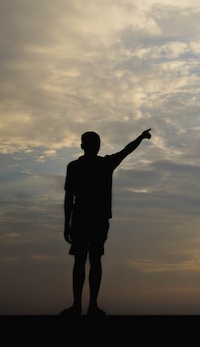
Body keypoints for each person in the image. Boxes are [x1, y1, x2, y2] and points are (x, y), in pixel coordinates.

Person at [60, 128, 152, 316]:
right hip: (95, 219)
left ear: (82, 146)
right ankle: (88, 305)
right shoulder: (101, 164)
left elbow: (69, 198)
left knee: (83, 261)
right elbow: (126, 150)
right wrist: (140, 138)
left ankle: (82, 306)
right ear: (96, 146)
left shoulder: (77, 167)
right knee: (93, 260)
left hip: (83, 219)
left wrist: (66, 224)